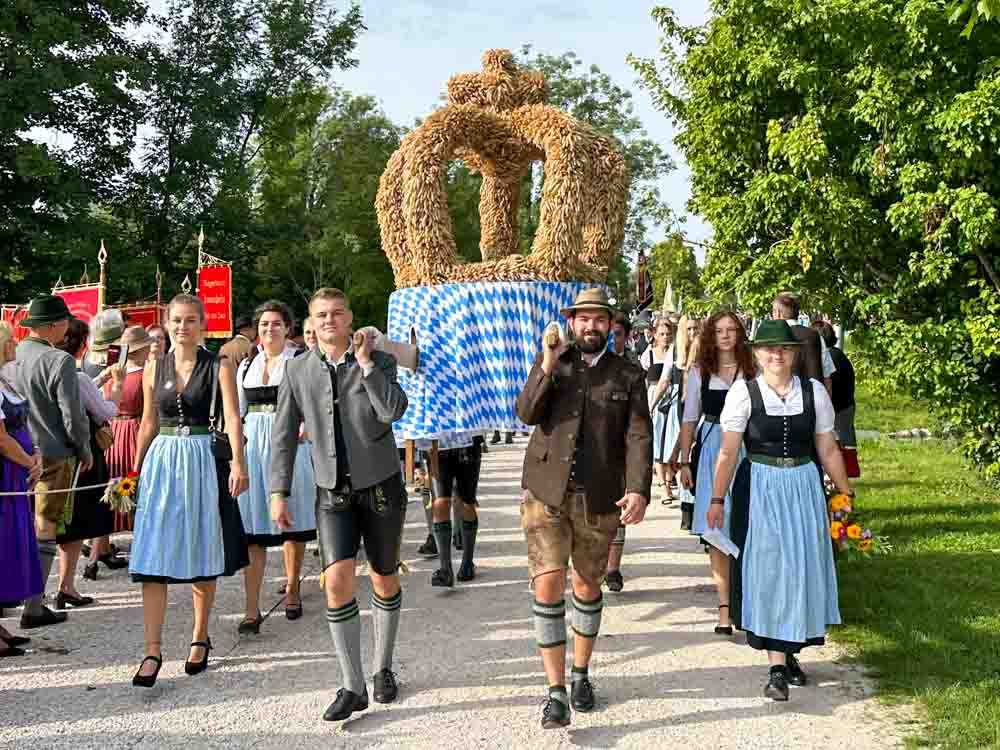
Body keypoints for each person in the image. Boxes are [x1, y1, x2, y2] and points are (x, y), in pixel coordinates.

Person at [269, 287, 408, 722]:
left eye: (337, 313)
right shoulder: (298, 371)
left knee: (384, 579)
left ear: (350, 319)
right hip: (332, 491)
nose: (329, 320)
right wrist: (278, 491)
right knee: (336, 583)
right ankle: (352, 684)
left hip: (380, 485)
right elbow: (283, 432)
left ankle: (383, 666)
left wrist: (367, 365)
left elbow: (392, 411)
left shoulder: (379, 360)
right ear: (311, 323)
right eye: (321, 315)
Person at [516, 287, 652, 729]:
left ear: (611, 324)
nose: (590, 326)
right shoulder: (555, 363)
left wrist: (638, 489)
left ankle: (580, 674)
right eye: (583, 319)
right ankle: (555, 692)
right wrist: (546, 364)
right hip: (545, 493)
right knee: (547, 584)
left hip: (598, 496)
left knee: (587, 586)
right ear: (571, 322)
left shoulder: (627, 375)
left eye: (599, 319)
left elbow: (638, 436)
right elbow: (526, 413)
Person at [710, 319, 851, 701]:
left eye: (785, 349)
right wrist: (717, 500)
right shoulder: (744, 393)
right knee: (770, 567)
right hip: (761, 486)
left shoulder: (814, 392)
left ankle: (789, 652)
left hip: (803, 485)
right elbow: (727, 452)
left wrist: (844, 494)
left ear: (794, 354)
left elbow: (827, 448)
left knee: (801, 565)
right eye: (770, 349)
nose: (777, 355)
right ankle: (776, 666)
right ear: (756, 353)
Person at [128, 294, 250, 688]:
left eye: (191, 320)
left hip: (201, 458)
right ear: (167, 324)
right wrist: (135, 470)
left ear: (203, 324)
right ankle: (152, 649)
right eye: (177, 320)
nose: (183, 327)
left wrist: (239, 463)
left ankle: (199, 636)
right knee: (152, 552)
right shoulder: (153, 367)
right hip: (162, 459)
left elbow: (232, 417)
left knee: (201, 546)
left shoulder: (219, 367)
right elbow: (148, 422)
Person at [236, 300, 317, 631]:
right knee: (252, 529)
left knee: (290, 521)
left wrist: (307, 425)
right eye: (264, 324)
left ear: (288, 328)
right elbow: (238, 411)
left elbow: (315, 402)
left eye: (276, 323)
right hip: (254, 442)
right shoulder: (246, 366)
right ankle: (251, 608)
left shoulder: (298, 361)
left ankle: (293, 587)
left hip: (289, 443)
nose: (270, 329)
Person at [15, 295, 93, 630]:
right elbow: (72, 416)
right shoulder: (58, 360)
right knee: (46, 527)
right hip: (53, 452)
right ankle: (34, 605)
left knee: (21, 528)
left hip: (17, 455)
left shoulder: (11, 357)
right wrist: (85, 448)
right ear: (50, 325)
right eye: (62, 321)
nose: (66, 327)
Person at [677, 311, 755, 634]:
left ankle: (747, 603)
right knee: (718, 532)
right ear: (711, 335)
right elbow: (689, 419)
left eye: (731, 330)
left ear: (740, 333)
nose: (725, 336)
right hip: (711, 450)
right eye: (719, 330)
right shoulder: (699, 372)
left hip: (747, 448)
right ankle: (724, 608)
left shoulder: (753, 371)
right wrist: (683, 461)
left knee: (748, 527)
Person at [54, 318, 123, 609]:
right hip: (80, 455)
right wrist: (117, 385)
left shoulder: (54, 370)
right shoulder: (75, 376)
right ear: (83, 345)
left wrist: (101, 379)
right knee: (73, 523)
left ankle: (60, 587)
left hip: (52, 452)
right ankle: (65, 586)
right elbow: (105, 409)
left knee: (58, 523)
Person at [0, 322, 43, 656]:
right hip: (4, 474)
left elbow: (22, 425)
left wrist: (35, 455)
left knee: (12, 544)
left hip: (17, 472)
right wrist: (29, 461)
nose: (16, 344)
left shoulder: (5, 379)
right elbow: (1, 439)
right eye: (10, 339)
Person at [101, 326, 152, 545]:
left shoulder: (113, 373)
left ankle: (98, 550)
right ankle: (140, 541)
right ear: (143, 348)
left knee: (112, 485)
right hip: (135, 430)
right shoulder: (145, 373)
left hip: (113, 432)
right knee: (135, 482)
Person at [604, 310, 640, 592]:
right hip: (593, 447)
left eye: (617, 334)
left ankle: (613, 569)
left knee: (618, 511)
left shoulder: (632, 365)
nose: (611, 339)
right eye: (609, 332)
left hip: (621, 447)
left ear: (627, 337)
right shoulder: (588, 361)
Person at [426, 431, 484, 587]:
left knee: (467, 502)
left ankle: (467, 562)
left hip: (468, 443)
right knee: (440, 502)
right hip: (437, 445)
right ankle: (445, 569)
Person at [813, 321, 859, 477]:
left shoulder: (830, 357)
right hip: (846, 405)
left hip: (838, 408)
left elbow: (829, 384)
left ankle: (841, 475)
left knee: (838, 443)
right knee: (845, 441)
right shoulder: (838, 354)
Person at [640, 317, 677, 503]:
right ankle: (663, 486)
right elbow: (645, 381)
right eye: (661, 333)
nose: (665, 337)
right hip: (654, 396)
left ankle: (670, 481)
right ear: (654, 334)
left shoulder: (676, 353)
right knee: (657, 442)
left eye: (668, 333)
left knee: (671, 441)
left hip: (674, 397)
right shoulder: (648, 355)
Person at [771, 293, 834, 394]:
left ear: (777, 313)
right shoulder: (815, 336)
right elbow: (827, 376)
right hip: (812, 399)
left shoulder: (770, 337)